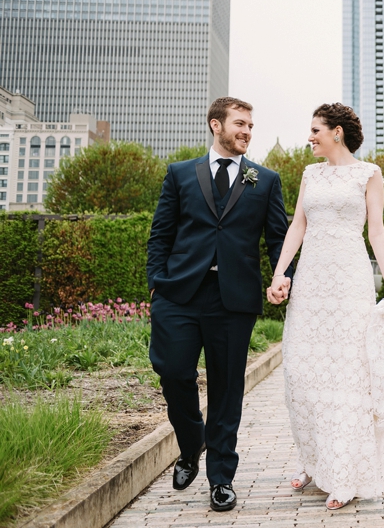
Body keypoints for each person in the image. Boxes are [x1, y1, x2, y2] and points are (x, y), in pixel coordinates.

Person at [146, 97, 292, 512]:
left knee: (228, 389)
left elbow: (278, 239)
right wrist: (156, 285)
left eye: (250, 126)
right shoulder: (180, 175)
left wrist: (284, 276)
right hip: (178, 295)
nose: (247, 131)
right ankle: (192, 444)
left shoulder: (264, 180)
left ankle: (221, 477)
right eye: (240, 124)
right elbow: (160, 235)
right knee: (173, 372)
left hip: (234, 300)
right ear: (216, 125)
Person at [267, 102, 384, 511]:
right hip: (311, 282)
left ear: (337, 132)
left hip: (348, 282)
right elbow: (298, 226)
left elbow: (376, 231)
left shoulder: (370, 174)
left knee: (346, 375)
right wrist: (279, 273)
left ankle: (343, 474)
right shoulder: (310, 173)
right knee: (302, 371)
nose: (309, 137)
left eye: (315, 130)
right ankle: (313, 462)